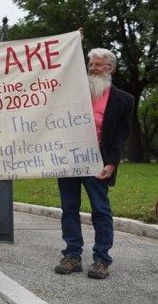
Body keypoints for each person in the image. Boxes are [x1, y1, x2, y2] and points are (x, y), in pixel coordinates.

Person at [54, 48, 133, 279]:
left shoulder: (123, 100)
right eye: (90, 64)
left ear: (110, 69)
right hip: (69, 159)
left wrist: (112, 163)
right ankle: (72, 255)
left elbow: (121, 135)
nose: (92, 68)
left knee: (100, 210)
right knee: (69, 208)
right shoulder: (74, 92)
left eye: (98, 65)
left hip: (98, 161)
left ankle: (101, 259)